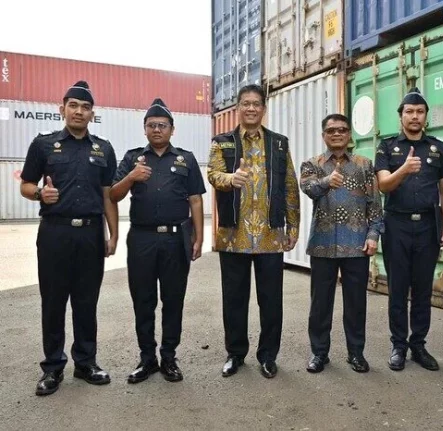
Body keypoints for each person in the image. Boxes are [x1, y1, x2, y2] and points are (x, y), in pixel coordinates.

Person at [20, 80, 118, 396]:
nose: (79, 111)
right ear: (62, 109)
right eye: (73, 105)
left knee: (86, 301)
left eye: (85, 107)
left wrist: (113, 234)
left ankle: (86, 363)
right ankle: (52, 367)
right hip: (55, 232)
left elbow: (108, 195)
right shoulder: (43, 144)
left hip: (90, 233)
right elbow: (25, 185)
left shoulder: (103, 149)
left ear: (92, 114)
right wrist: (39, 193)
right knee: (53, 301)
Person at [207, 84, 300, 379]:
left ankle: (268, 356)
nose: (250, 108)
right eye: (245, 103)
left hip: (271, 235)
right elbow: (213, 174)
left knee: (271, 300)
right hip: (234, 235)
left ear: (263, 109)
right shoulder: (222, 143)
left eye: (256, 103)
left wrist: (293, 225)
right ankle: (235, 354)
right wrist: (230, 178)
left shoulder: (279, 144)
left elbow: (290, 185)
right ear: (238, 108)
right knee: (234, 299)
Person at [110, 98, 205, 383]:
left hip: (176, 239)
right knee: (143, 299)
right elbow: (113, 195)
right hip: (142, 239)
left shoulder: (186, 159)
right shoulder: (133, 158)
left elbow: (195, 200)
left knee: (173, 300)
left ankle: (169, 358)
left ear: (172, 129)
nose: (157, 130)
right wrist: (131, 177)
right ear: (144, 129)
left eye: (162, 125)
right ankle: (147, 358)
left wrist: (199, 237)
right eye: (151, 125)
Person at [374, 87, 443, 372]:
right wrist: (404, 169)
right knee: (397, 288)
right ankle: (398, 345)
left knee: (422, 289)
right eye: (409, 111)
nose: (415, 116)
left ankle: (418, 345)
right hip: (397, 225)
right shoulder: (387, 147)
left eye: (420, 111)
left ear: (426, 116)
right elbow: (383, 185)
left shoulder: (438, 148)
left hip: (428, 226)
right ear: (401, 116)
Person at [300, 114, 383, 374]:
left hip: (357, 245)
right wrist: (326, 182)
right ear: (323, 135)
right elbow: (308, 189)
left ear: (349, 135)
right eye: (331, 130)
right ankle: (319, 353)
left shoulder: (364, 165)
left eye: (342, 130)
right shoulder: (312, 164)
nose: (337, 134)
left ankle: (356, 353)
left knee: (356, 304)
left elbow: (375, 204)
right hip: (322, 245)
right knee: (320, 305)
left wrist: (373, 235)